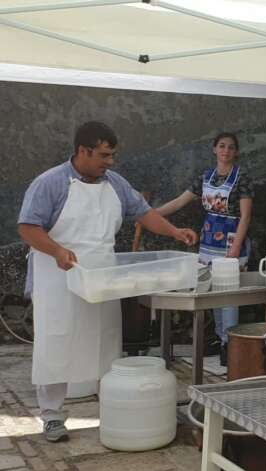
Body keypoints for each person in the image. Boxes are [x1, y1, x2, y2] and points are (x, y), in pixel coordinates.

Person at [18, 121, 197, 442]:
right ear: (82, 151)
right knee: (56, 342)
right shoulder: (50, 183)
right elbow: (28, 228)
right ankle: (52, 415)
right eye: (104, 155)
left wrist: (173, 231)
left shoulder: (114, 183)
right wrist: (57, 250)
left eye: (112, 155)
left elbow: (143, 212)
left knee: (106, 342)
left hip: (101, 277)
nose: (110, 162)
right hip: (58, 277)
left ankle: (112, 406)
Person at [157, 133, 253, 366]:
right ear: (214, 149)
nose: (226, 151)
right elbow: (179, 202)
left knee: (229, 295)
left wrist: (236, 248)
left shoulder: (242, 178)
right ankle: (220, 339)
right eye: (222, 146)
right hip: (209, 241)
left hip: (231, 240)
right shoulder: (205, 176)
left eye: (231, 147)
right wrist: (151, 214)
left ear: (236, 152)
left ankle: (230, 346)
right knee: (212, 293)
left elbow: (246, 215)